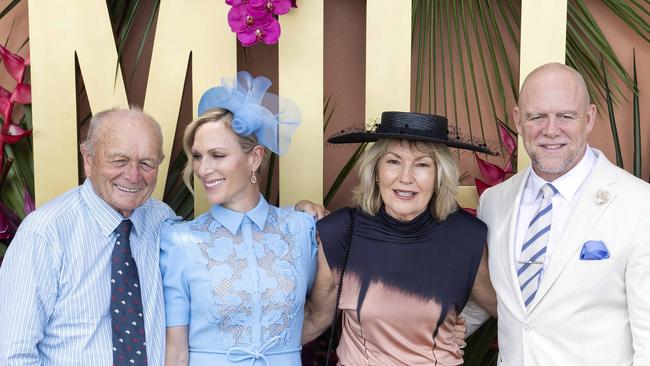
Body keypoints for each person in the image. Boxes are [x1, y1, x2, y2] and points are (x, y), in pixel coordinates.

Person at [462, 63, 650, 365]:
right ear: (518, 120)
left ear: (588, 118)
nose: (551, 130)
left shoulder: (640, 204)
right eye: (537, 116)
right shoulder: (494, 203)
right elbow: (501, 304)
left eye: (565, 116)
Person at [302, 111, 498, 365]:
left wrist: (454, 327)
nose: (405, 178)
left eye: (422, 165)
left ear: (439, 175)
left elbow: (505, 311)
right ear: (375, 170)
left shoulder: (466, 237)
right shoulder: (341, 230)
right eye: (393, 161)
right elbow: (316, 319)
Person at [161, 71, 318, 366]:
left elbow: (322, 310)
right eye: (197, 156)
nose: (203, 169)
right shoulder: (179, 241)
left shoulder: (301, 228)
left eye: (217, 155)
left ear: (255, 157)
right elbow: (176, 349)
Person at [0, 108, 177, 365]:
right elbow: (13, 355)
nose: (133, 175)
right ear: (88, 158)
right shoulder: (45, 233)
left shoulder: (162, 222)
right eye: (119, 160)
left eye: (147, 163)